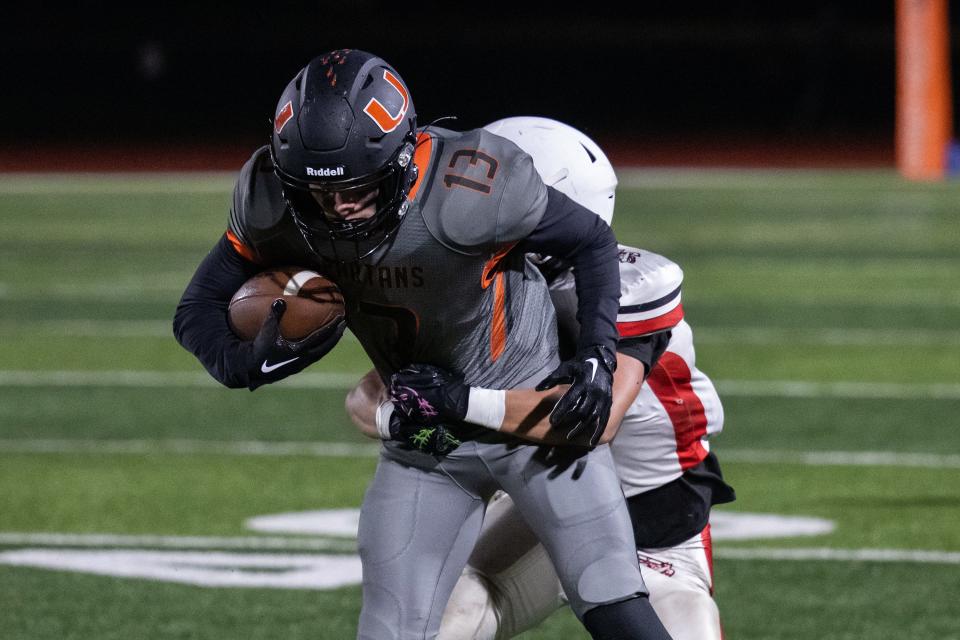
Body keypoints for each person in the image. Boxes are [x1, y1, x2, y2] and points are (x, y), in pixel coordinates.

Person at [173, 50, 673, 640]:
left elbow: (590, 240)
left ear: (405, 157)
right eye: (317, 193)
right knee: (389, 630)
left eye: (359, 187)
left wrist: (594, 353)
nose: (339, 208)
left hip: (532, 425)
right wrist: (245, 363)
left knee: (614, 606)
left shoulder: (471, 185)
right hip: (429, 441)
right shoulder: (271, 202)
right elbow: (196, 311)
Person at [347, 116, 735, 640]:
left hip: (659, 533)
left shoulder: (622, 289)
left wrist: (459, 405)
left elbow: (592, 424)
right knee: (442, 622)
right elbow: (369, 395)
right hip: (539, 503)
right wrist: (417, 428)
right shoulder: (483, 286)